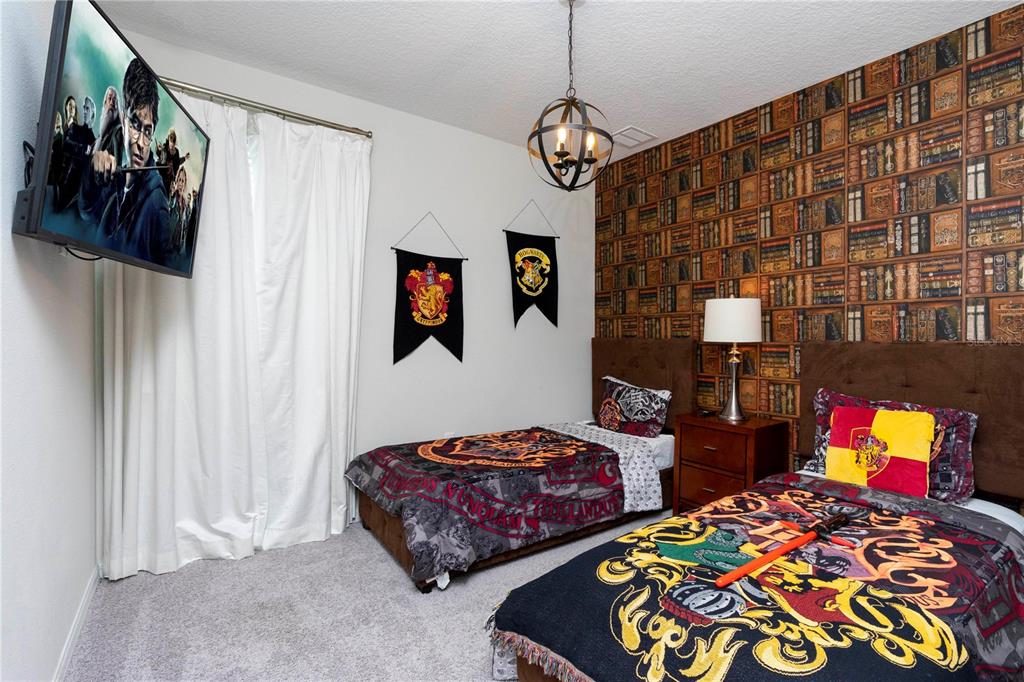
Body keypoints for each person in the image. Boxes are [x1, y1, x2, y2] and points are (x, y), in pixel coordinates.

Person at [79, 58, 170, 262]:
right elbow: (87, 212)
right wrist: (92, 169)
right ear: (123, 120)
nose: (141, 143)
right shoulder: (120, 180)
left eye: (148, 131)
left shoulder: (157, 204)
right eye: (135, 125)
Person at [55, 95, 96, 211]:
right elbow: (66, 145)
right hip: (64, 185)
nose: (84, 111)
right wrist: (83, 149)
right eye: (83, 107)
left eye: (87, 108)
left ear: (93, 114)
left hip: (78, 194)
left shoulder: (94, 140)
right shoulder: (74, 128)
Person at [96, 86, 124, 163]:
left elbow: (116, 163)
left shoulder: (118, 131)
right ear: (105, 102)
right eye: (109, 98)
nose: (111, 103)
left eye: (114, 100)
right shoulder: (101, 134)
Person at [157, 129, 189, 193]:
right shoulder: (165, 148)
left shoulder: (176, 152)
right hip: (161, 175)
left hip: (169, 179)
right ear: (168, 140)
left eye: (173, 141)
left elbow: (178, 162)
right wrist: (159, 150)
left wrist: (185, 158)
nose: (171, 144)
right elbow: (160, 156)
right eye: (170, 140)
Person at [48, 112, 63, 186]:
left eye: (58, 119)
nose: (56, 120)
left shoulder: (59, 137)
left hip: (55, 168)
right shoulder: (52, 134)